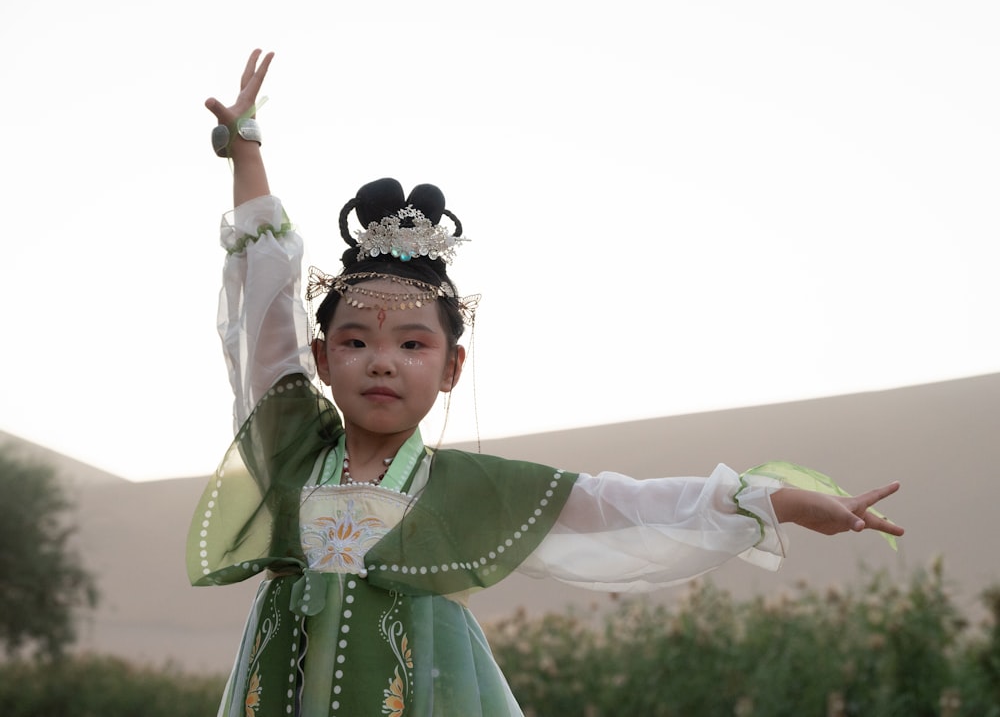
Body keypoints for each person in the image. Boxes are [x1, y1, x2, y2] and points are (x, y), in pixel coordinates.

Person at [188, 50, 904, 717]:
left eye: (412, 343)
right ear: (322, 354)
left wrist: (776, 501)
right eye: (356, 340)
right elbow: (263, 310)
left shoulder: (475, 491)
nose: (382, 360)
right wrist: (247, 150)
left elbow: (624, 506)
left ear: (450, 368)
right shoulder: (288, 451)